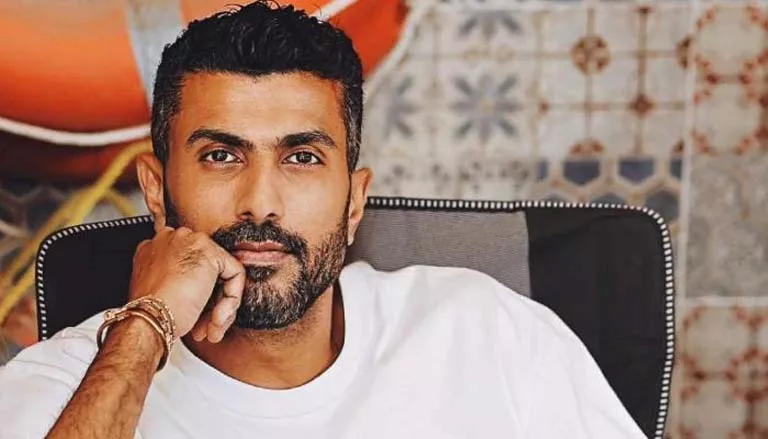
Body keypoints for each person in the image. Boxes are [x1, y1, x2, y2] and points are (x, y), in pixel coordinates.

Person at [0, 2, 647, 438]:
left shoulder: (489, 331)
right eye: (222, 155)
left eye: (302, 157)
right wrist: (145, 327)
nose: (261, 201)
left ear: (355, 200)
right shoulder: (64, 385)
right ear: (156, 190)